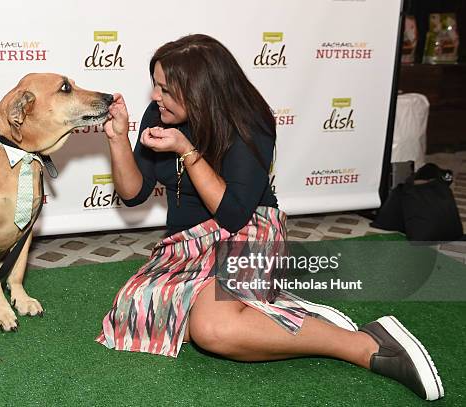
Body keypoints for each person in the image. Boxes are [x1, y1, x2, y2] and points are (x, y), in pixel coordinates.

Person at [97, 34, 443, 401]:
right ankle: (285, 313)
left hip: (250, 231)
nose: (154, 97)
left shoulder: (249, 122)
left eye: (165, 89)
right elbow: (133, 194)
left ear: (198, 91)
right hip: (188, 246)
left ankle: (360, 344)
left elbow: (232, 214)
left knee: (213, 330)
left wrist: (187, 150)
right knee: (135, 315)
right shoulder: (161, 114)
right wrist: (118, 139)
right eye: (155, 86)